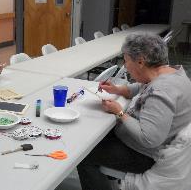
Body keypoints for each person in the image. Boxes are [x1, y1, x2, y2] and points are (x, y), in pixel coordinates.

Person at [77, 34, 191, 190]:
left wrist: (120, 113)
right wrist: (118, 89)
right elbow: (143, 86)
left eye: (126, 60)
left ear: (140, 61)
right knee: (90, 136)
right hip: (146, 143)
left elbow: (149, 139)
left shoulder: (162, 91)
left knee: (83, 155)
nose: (125, 65)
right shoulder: (170, 73)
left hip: (143, 154)